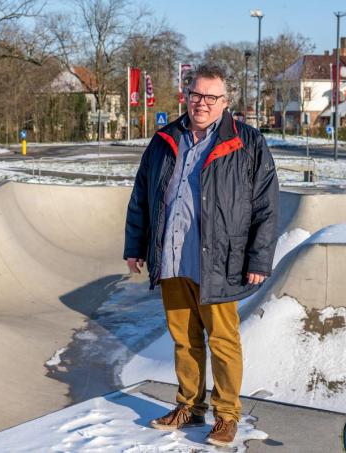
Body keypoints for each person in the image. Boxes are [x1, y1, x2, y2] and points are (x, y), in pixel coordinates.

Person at [123, 63, 279, 447]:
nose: (202, 103)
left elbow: (266, 205)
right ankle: (189, 406)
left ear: (226, 102)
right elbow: (143, 196)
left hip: (220, 262)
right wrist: (135, 246)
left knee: (222, 340)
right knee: (183, 338)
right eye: (196, 95)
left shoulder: (248, 142)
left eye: (212, 97)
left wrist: (259, 260)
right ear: (186, 96)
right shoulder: (164, 139)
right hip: (173, 259)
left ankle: (226, 415)